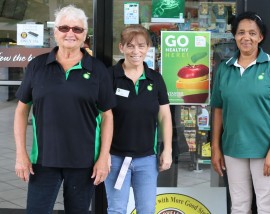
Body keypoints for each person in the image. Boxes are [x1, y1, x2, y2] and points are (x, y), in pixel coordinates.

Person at [14, 5, 116, 214]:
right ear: (55, 32)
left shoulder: (97, 69)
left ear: (85, 35)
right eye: (64, 28)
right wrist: (21, 153)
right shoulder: (37, 66)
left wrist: (104, 156)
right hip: (43, 160)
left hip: (84, 162)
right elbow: (21, 110)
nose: (70, 33)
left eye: (77, 29)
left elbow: (107, 116)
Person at [210, 11, 270, 214]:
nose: (246, 37)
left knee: (266, 207)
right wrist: (215, 147)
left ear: (260, 37)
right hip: (233, 149)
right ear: (235, 36)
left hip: (265, 150)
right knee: (238, 206)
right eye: (241, 32)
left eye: (252, 33)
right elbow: (218, 109)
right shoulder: (225, 69)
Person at [105, 25, 173, 214]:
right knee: (117, 210)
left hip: (147, 160)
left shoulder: (155, 79)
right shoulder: (109, 77)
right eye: (130, 46)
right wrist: (102, 155)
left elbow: (165, 116)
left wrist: (167, 150)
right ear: (121, 47)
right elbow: (100, 118)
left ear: (148, 48)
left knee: (147, 210)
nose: (136, 51)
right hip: (115, 158)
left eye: (141, 46)